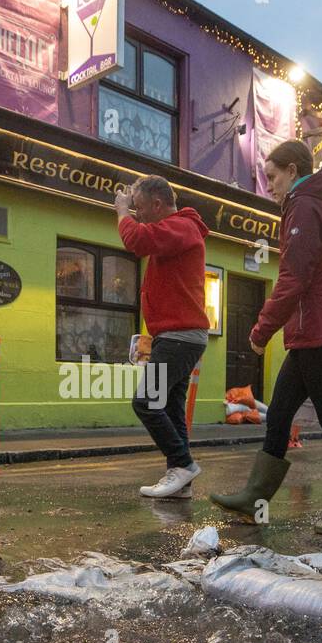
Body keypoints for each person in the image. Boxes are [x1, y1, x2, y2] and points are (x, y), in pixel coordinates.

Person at [211, 140, 322, 535]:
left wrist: (261, 329)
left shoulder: (304, 205)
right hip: (314, 334)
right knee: (280, 415)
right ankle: (255, 498)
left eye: (272, 177)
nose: (269, 185)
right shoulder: (316, 205)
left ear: (293, 169)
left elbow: (294, 278)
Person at [115, 175, 210, 500]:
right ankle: (182, 481)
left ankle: (182, 465)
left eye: (139, 207)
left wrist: (121, 213)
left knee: (146, 402)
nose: (137, 214)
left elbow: (136, 241)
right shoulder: (177, 233)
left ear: (158, 204)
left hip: (180, 337)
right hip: (178, 336)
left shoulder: (181, 227)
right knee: (169, 406)